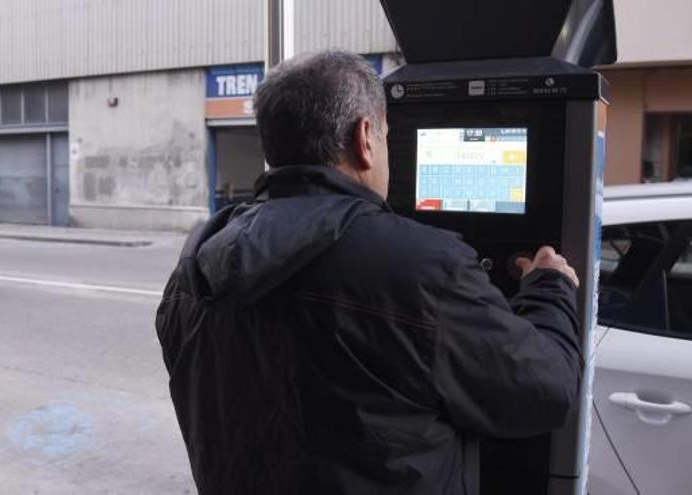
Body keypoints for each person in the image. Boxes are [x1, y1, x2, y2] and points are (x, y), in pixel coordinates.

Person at [156, 51, 582, 495]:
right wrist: (550, 287)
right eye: (386, 135)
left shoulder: (191, 277)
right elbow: (544, 391)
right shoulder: (422, 270)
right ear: (364, 138)